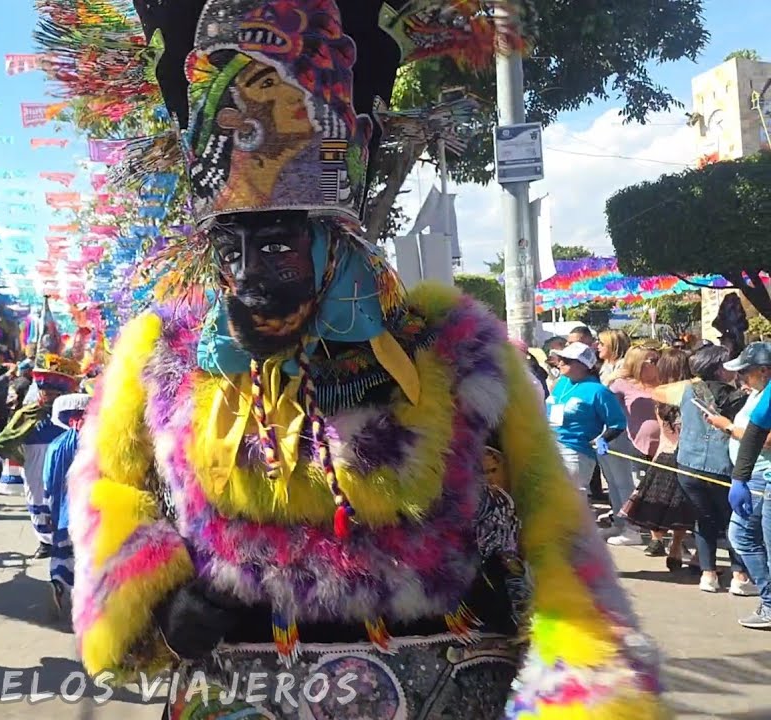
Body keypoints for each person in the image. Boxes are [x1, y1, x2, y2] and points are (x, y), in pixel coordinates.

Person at [68, 2, 666, 716]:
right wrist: (157, 600)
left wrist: (586, 687)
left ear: (333, 243)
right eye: (231, 250)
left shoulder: (456, 350)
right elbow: (110, 493)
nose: (251, 279)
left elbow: (556, 535)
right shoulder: (161, 358)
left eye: (280, 246)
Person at [0, 353, 78, 558]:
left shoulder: (74, 415)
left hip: (65, 464)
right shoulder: (27, 414)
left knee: (66, 501)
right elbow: (7, 438)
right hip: (35, 464)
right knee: (37, 500)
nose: (48, 396)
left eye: (54, 393)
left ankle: (66, 540)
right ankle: (45, 543)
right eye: (45, 392)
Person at [673, 345, 755, 595]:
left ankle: (708, 574)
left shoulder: (689, 391)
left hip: (688, 464)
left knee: (704, 520)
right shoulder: (738, 398)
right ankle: (740, 575)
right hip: (723, 467)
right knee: (734, 521)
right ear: (720, 369)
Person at [716, 343, 771, 628]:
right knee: (745, 537)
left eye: (745, 372)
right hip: (763, 478)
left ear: (763, 370)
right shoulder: (765, 395)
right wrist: (740, 478)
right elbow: (755, 432)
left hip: (763, 476)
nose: (741, 379)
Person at [625, 348, 696, 565]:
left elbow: (665, 434)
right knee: (682, 507)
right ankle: (675, 546)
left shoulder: (660, 394)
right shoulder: (693, 392)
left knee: (659, 502)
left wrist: (656, 458)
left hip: (666, 455)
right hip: (686, 456)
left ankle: (658, 540)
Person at [546, 343, 628, 498]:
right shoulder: (562, 382)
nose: (560, 362)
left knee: (572, 498)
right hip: (549, 446)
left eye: (567, 360)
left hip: (575, 451)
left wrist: (603, 439)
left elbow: (617, 423)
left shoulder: (599, 391)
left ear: (583, 365)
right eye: (560, 358)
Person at [600, 344, 662, 546]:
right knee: (625, 485)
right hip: (631, 443)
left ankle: (651, 531)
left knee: (656, 491)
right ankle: (628, 527)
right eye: (652, 360)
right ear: (638, 363)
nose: (657, 363)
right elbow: (604, 406)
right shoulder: (621, 384)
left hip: (663, 446)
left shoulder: (665, 383)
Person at [42, 392, 88, 613]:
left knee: (62, 550)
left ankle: (59, 583)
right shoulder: (96, 444)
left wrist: (47, 509)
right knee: (85, 556)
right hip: (89, 510)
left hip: (61, 509)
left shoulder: (55, 444)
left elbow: (47, 480)